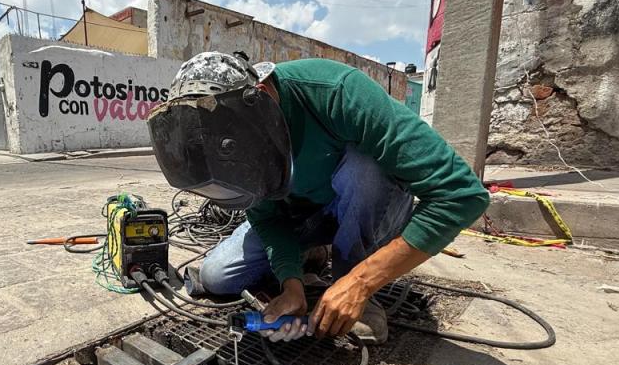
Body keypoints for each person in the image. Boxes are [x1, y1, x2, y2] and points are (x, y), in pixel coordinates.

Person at [147, 51, 489, 343]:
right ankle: (312, 259)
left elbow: (462, 194)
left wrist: (359, 283)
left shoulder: (336, 91)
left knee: (364, 165)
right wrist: (291, 284)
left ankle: (348, 276)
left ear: (263, 94)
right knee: (216, 276)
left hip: (364, 205)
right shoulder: (236, 145)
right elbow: (267, 218)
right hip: (304, 217)